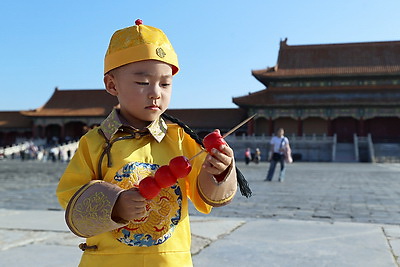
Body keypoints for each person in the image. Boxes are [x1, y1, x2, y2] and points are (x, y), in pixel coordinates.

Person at [56, 19, 250, 267]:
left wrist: (219, 169)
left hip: (169, 261)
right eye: (142, 82)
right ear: (112, 84)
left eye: (165, 83)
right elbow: (70, 195)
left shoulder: (181, 138)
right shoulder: (95, 142)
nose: (156, 92)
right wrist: (115, 205)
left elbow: (206, 194)